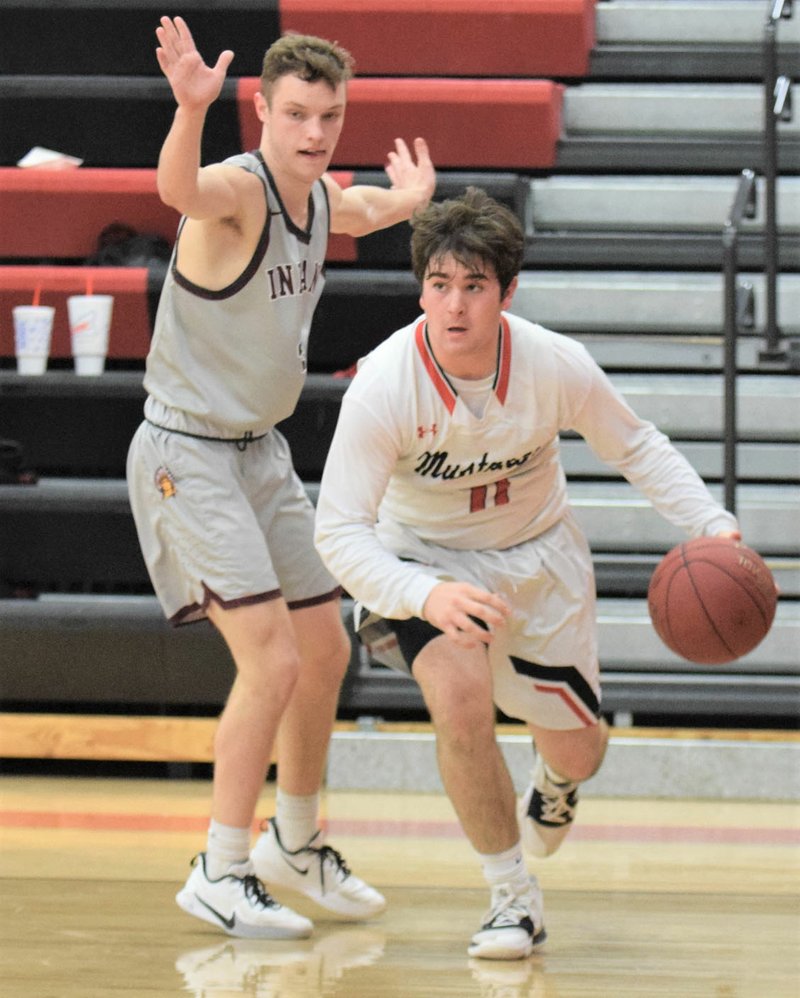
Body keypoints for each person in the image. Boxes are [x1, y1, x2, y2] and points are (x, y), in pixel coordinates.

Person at [313, 187, 741, 960]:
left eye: (474, 287)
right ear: (420, 290)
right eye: (439, 285)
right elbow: (338, 531)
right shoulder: (382, 384)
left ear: (507, 293)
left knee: (580, 747)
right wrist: (423, 592)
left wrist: (713, 527)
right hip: (421, 561)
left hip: (537, 556)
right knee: (460, 698)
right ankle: (513, 897)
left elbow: (636, 446)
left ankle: (557, 782)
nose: (454, 306)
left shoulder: (551, 362)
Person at [126, 16, 435, 939]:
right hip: (187, 452)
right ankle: (218, 869)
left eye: (329, 116)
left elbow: (367, 208)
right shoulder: (239, 193)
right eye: (296, 113)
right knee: (271, 663)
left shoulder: (319, 196)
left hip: (259, 453)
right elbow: (178, 186)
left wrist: (413, 198)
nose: (313, 132)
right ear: (262, 110)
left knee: (326, 650)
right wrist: (189, 111)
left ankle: (292, 844)